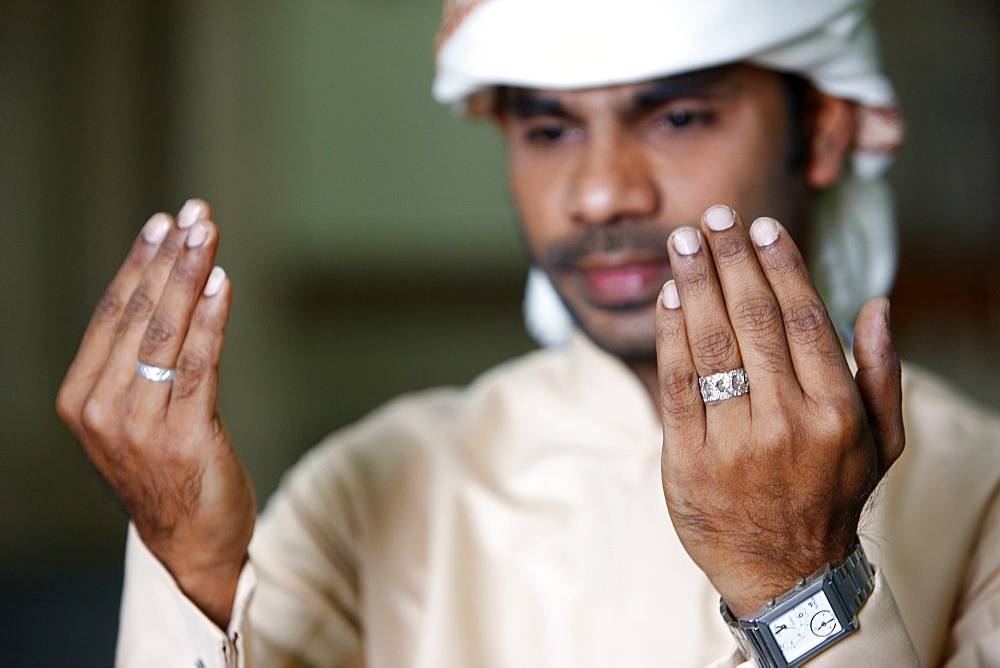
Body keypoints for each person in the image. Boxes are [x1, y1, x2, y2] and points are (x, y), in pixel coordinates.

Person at [57, 0, 1000, 666]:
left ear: (826, 130)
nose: (598, 195)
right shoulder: (371, 484)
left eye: (676, 116)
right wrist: (193, 565)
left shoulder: (981, 491)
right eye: (548, 132)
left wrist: (801, 584)